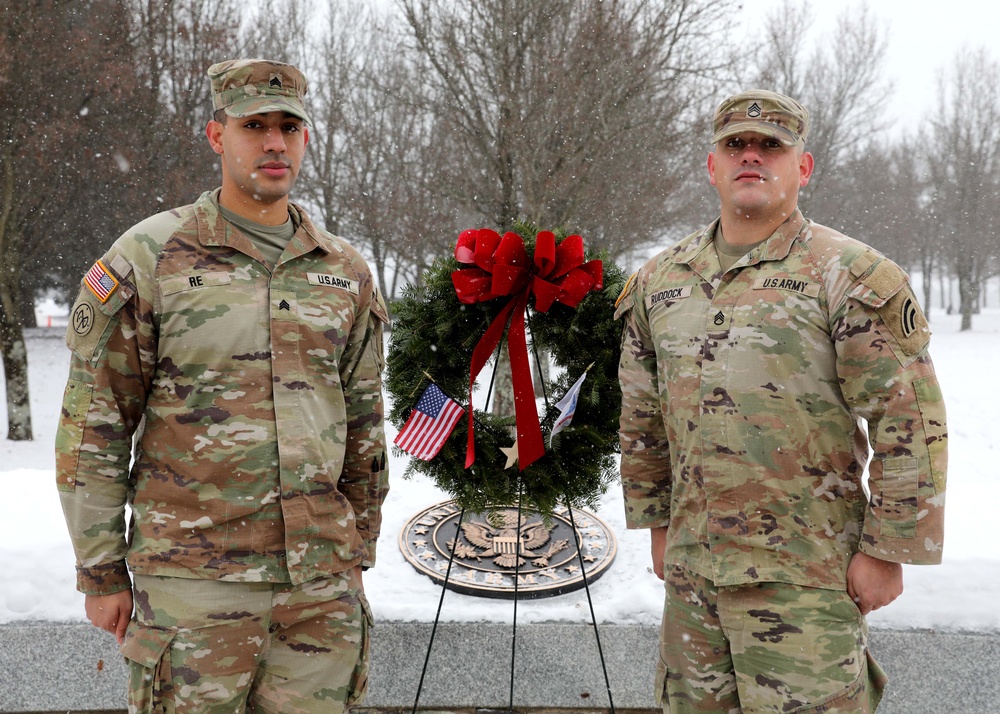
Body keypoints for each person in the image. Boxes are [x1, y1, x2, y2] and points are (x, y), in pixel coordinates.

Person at [55, 58, 389, 712]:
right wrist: (100, 571)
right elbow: (93, 425)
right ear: (217, 136)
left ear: (307, 138)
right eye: (254, 125)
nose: (273, 143)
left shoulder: (343, 270)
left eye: (288, 127)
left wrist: (356, 554)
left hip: (318, 596)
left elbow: (362, 425)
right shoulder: (150, 257)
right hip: (192, 594)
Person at [615, 89, 947, 713]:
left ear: (803, 167)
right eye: (734, 145)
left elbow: (908, 419)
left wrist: (887, 550)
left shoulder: (848, 275)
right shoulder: (661, 281)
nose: (751, 156)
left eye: (771, 146)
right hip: (694, 582)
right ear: (711, 166)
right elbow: (643, 416)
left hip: (807, 579)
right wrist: (657, 522)